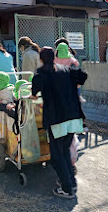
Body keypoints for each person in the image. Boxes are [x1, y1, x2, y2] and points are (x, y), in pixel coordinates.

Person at [31, 47, 88, 199]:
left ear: (41, 59)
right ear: (55, 56)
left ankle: (67, 188)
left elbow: (34, 92)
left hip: (57, 119)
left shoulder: (40, 73)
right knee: (64, 151)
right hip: (73, 117)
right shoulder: (66, 70)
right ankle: (70, 182)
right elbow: (83, 75)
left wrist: (34, 96)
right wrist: (73, 87)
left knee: (56, 156)